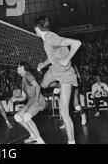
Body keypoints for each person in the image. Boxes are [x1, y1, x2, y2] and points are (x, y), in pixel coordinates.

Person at [35, 16, 82, 144]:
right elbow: (52, 55)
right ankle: (58, 86)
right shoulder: (46, 39)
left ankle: (71, 141)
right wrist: (43, 64)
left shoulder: (51, 38)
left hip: (65, 75)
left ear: (37, 28)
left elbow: (77, 43)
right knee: (43, 85)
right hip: (54, 70)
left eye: (35, 29)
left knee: (64, 112)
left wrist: (67, 59)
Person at [14, 63, 46, 144]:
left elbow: (37, 86)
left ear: (22, 67)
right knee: (17, 117)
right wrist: (16, 98)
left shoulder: (28, 75)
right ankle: (33, 135)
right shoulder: (23, 80)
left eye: (18, 66)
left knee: (26, 117)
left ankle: (40, 141)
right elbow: (24, 97)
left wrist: (36, 100)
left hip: (38, 99)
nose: (17, 68)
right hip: (30, 101)